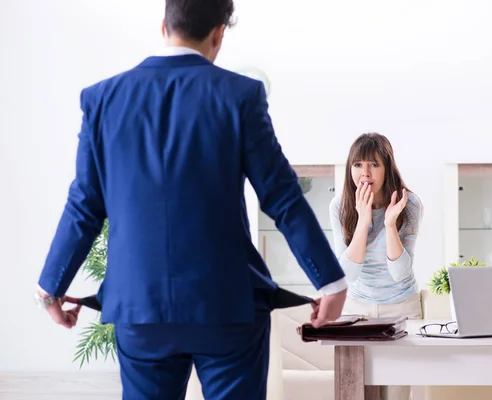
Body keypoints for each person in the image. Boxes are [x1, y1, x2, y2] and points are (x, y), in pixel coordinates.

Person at [33, 0, 347, 398]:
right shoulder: (240, 96)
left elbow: (85, 205)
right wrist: (330, 281)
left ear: (163, 25)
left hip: (139, 309)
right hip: (226, 306)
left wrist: (51, 287)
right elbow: (281, 194)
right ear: (219, 34)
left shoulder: (102, 100)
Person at [329, 132, 423, 400]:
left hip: (402, 307)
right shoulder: (340, 207)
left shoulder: (410, 204)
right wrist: (363, 220)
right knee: (358, 389)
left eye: (374, 164)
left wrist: (390, 224)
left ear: (387, 167)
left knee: (397, 393)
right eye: (358, 165)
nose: (365, 173)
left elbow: (399, 273)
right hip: (357, 309)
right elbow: (348, 274)